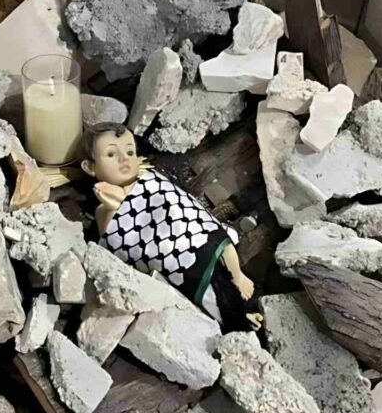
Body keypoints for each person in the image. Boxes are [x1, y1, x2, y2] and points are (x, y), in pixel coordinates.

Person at [79, 122, 258, 328]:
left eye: (130, 151)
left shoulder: (151, 179)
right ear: (90, 167)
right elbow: (117, 237)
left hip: (195, 232)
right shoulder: (104, 207)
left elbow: (180, 205)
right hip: (171, 255)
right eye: (111, 154)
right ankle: (240, 318)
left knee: (218, 247)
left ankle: (238, 276)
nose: (124, 159)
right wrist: (115, 205)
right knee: (208, 292)